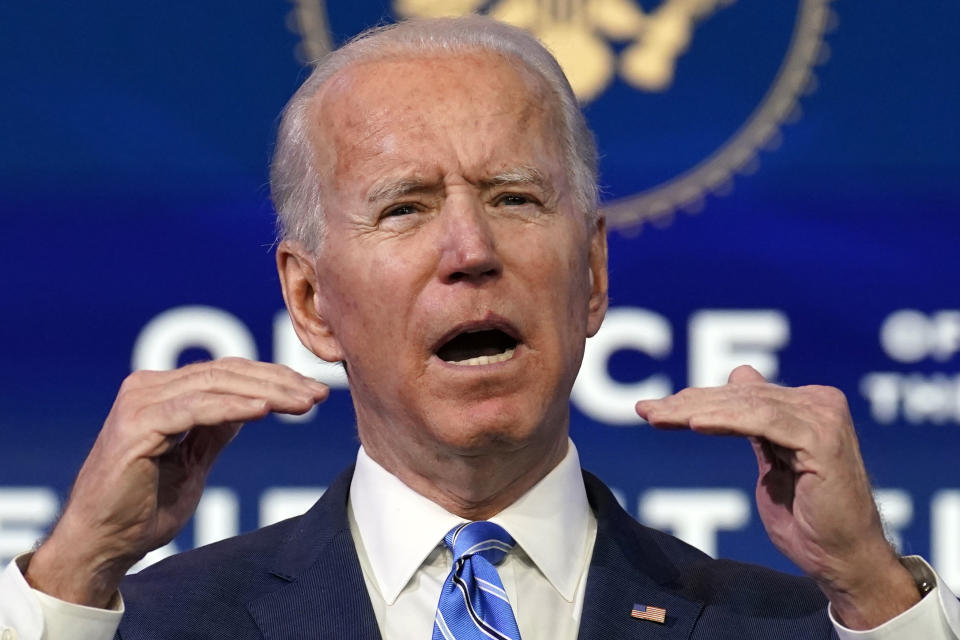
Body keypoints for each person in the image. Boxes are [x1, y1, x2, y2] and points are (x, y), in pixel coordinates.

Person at [1, 15, 957, 640]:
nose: (470, 248)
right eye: (406, 207)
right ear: (310, 301)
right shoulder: (143, 625)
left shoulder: (800, 627)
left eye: (513, 197)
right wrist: (74, 569)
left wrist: (873, 590)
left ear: (590, 274)